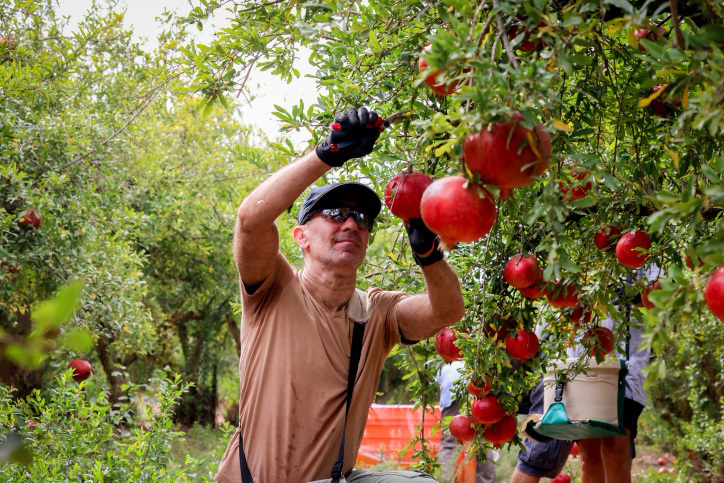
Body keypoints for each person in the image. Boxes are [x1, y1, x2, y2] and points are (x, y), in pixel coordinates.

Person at [214, 107, 466, 483]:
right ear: (301, 238)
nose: (351, 224)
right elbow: (251, 219)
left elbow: (447, 310)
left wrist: (429, 255)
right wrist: (327, 154)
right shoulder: (272, 287)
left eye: (362, 220)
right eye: (334, 213)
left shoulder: (378, 312)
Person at [435, 361, 496, 483]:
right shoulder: (477, 364)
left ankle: (444, 480)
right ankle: (487, 481)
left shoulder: (445, 366)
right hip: (479, 401)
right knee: (482, 442)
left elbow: (436, 393)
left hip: (452, 400)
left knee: (449, 444)